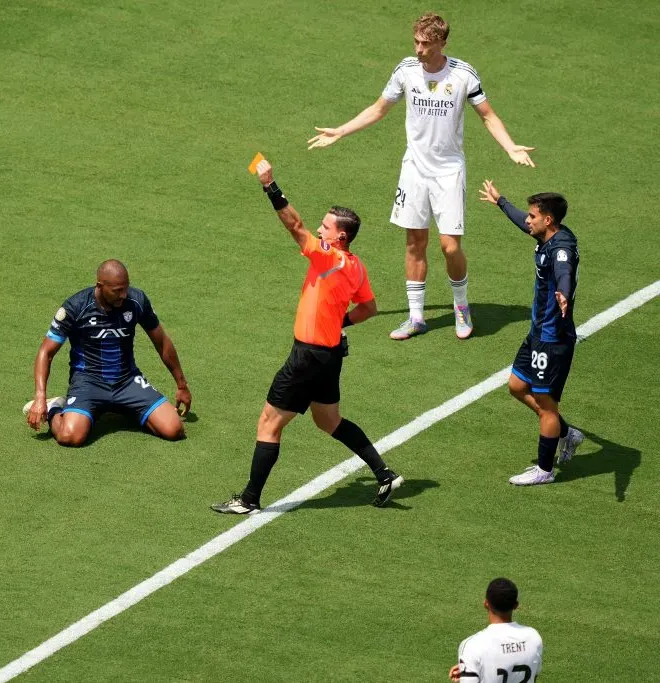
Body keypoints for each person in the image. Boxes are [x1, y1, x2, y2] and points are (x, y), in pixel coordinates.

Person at [309, 12, 536, 341]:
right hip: (414, 169)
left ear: (442, 42)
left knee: (449, 246)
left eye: (426, 44)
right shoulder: (406, 71)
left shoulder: (463, 75)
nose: (418, 49)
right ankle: (416, 317)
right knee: (415, 242)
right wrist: (341, 131)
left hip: (448, 171)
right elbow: (378, 109)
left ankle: (461, 307)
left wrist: (511, 147)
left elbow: (488, 116)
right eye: (416, 42)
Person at [211, 159, 402, 514]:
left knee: (269, 422)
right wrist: (338, 322)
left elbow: (295, 225)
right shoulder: (357, 266)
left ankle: (249, 499)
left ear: (339, 237)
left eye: (326, 227)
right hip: (328, 356)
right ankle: (384, 473)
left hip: (307, 356)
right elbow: (369, 309)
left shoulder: (327, 258)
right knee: (329, 421)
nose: (319, 229)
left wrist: (270, 186)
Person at [479, 181, 584, 485]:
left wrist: (563, 293)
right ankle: (567, 433)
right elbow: (521, 223)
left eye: (532, 216)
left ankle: (545, 470)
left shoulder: (561, 249)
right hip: (537, 332)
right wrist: (501, 202)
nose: (527, 220)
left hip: (554, 338)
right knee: (515, 386)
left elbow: (564, 272)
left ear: (547, 220)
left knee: (545, 403)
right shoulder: (547, 236)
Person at [23, 260, 191, 447]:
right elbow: (46, 352)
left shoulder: (136, 301)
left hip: (127, 381)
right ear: (100, 286)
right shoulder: (76, 307)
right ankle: (54, 408)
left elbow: (162, 342)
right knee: (69, 436)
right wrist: (40, 398)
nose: (124, 295)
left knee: (174, 430)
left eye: (125, 288)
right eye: (117, 290)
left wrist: (181, 385)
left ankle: (128, 407)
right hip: (88, 381)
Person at [450, 578, 544, 682]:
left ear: (486, 603)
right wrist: (471, 669)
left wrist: (470, 669)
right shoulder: (533, 638)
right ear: (516, 605)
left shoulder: (473, 646)